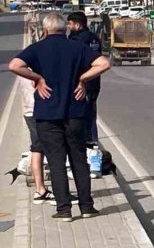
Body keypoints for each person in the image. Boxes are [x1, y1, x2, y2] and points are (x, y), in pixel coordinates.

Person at [8, 13, 111, 221]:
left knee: (56, 162)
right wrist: (82, 79)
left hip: (47, 114)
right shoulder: (77, 47)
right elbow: (103, 64)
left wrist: (38, 78)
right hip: (75, 113)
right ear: (65, 29)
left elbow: (14, 65)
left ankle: (64, 210)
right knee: (79, 160)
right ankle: (87, 207)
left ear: (45, 30)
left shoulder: (37, 48)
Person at [67, 12, 103, 146]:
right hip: (94, 82)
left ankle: (88, 141)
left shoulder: (77, 40)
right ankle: (93, 139)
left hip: (82, 83)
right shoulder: (95, 38)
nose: (68, 26)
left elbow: (74, 61)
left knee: (82, 114)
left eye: (70, 24)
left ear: (77, 25)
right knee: (91, 112)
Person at [17, 75, 54, 204]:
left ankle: (40, 190)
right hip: (38, 110)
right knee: (47, 148)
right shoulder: (32, 67)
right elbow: (35, 83)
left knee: (37, 148)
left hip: (30, 110)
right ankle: (44, 190)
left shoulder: (23, 67)